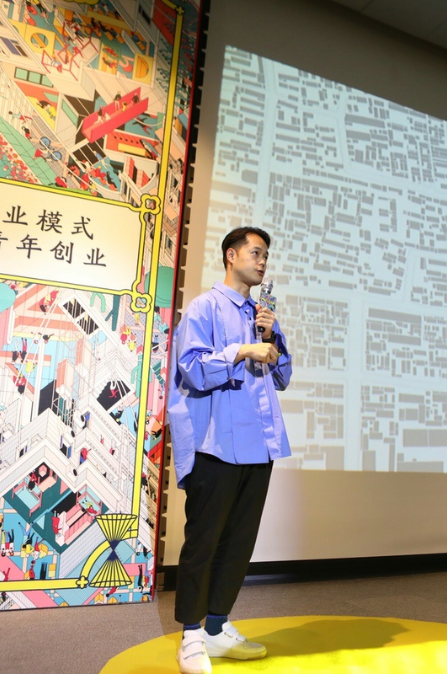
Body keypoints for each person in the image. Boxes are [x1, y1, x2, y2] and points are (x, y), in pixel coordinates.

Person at [168, 227, 291, 674]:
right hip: (215, 445)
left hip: (260, 446)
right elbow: (192, 369)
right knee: (203, 542)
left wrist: (273, 342)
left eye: (266, 256)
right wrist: (241, 350)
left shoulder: (262, 314)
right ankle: (191, 636)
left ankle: (217, 629)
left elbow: (282, 376)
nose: (262, 261)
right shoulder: (204, 308)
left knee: (239, 542)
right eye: (255, 253)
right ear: (231, 255)